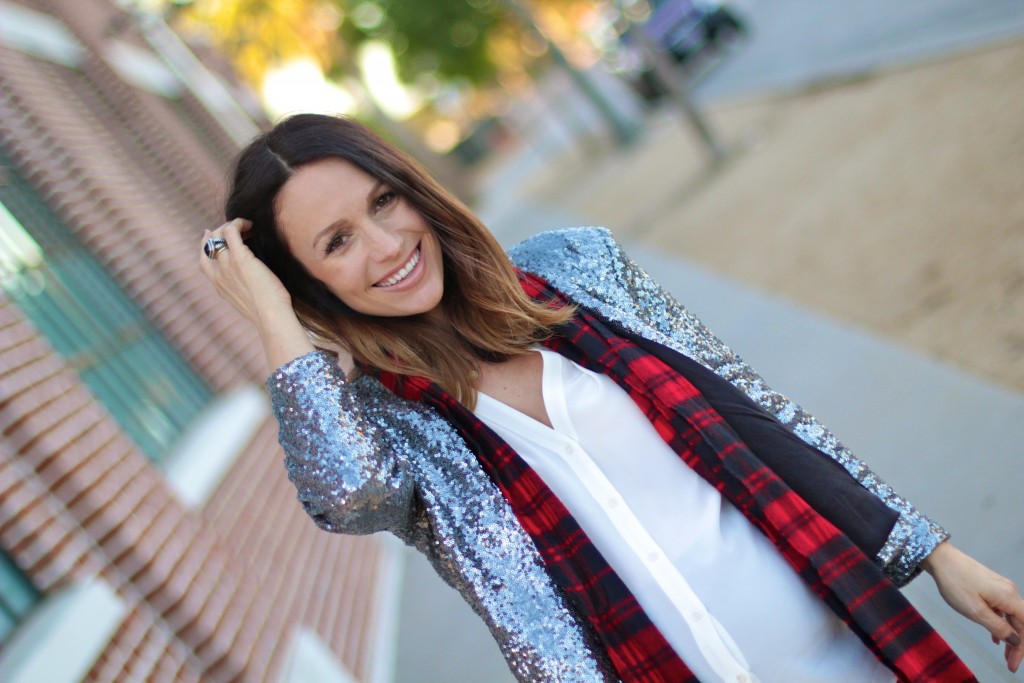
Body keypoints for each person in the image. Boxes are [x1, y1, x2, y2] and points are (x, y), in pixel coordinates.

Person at [199, 113, 1022, 682]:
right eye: (336, 244)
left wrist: (932, 551)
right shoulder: (394, 433)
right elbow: (345, 494)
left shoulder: (579, 268)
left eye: (384, 200)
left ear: (412, 187)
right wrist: (275, 319)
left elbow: (761, 416)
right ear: (309, 286)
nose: (387, 246)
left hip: (857, 650)